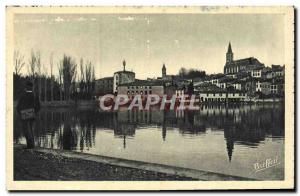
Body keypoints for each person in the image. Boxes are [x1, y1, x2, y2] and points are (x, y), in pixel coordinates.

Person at [16, 81, 40, 149]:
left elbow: (18, 107)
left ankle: (29, 146)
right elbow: (38, 107)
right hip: (32, 115)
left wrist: (21, 114)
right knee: (31, 130)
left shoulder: (23, 96)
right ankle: (32, 145)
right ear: (32, 88)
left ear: (26, 87)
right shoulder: (35, 95)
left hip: (24, 115)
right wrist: (34, 112)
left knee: (26, 131)